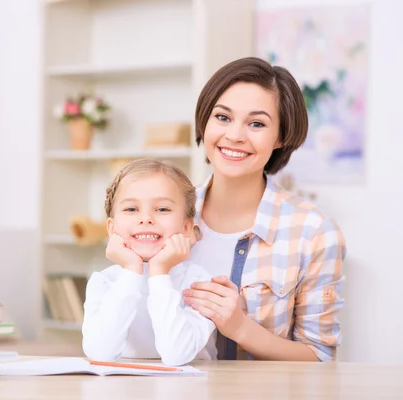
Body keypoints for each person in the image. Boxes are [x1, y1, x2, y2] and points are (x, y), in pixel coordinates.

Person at [182, 56, 346, 362]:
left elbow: (319, 357)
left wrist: (241, 328)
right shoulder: (164, 215)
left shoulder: (314, 232)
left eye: (256, 123)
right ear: (204, 120)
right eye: (222, 117)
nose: (234, 135)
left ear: (281, 137)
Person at [81, 159, 217, 366]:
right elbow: (100, 353)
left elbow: (177, 356)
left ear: (187, 227)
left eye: (162, 209)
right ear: (112, 228)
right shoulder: (104, 282)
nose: (146, 218)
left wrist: (159, 273)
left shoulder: (199, 282)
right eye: (131, 209)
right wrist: (131, 271)